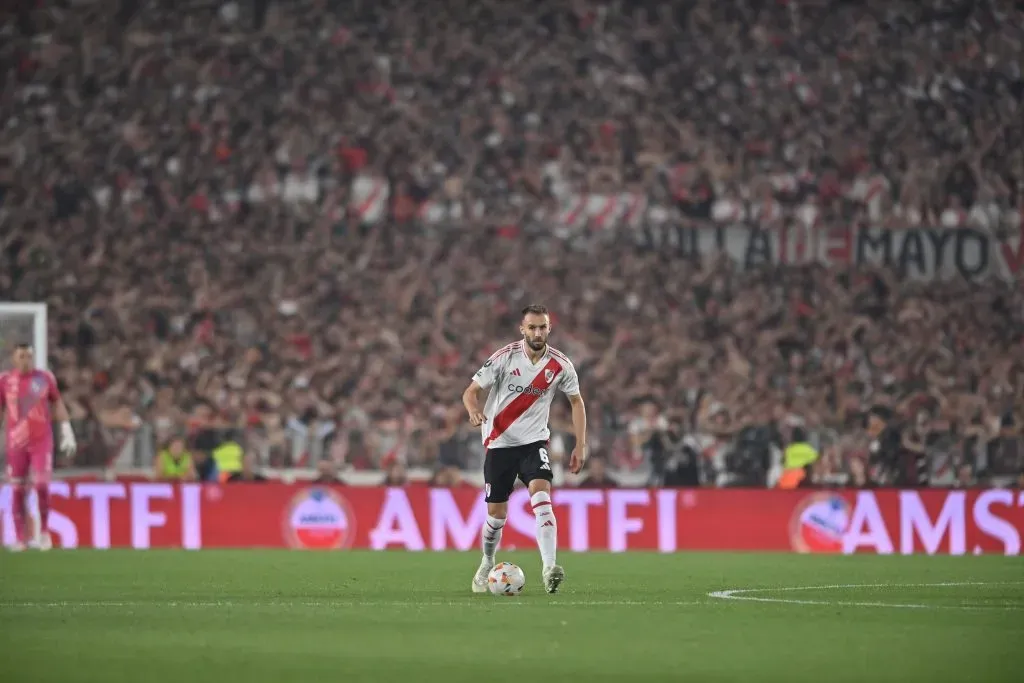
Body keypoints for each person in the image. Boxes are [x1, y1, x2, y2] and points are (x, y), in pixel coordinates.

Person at [462, 304, 587, 594]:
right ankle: (487, 561)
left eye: (542, 327)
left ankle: (549, 569)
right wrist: (473, 411)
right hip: (500, 443)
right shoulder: (505, 358)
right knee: (496, 516)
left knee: (542, 497)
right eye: (532, 327)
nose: (537, 332)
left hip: (534, 442)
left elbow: (577, 402)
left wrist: (580, 445)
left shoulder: (560, 365)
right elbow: (470, 392)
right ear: (522, 330)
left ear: (549, 329)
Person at [0, 344, 77, 551]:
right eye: (22, 356)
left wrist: (66, 428)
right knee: (17, 489)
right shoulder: (5, 381)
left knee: (41, 485)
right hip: (16, 443)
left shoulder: (44, 378)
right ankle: (19, 538)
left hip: (41, 441)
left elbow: (57, 403)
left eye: (29, 356)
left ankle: (43, 533)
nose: (26, 360)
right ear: (13, 358)